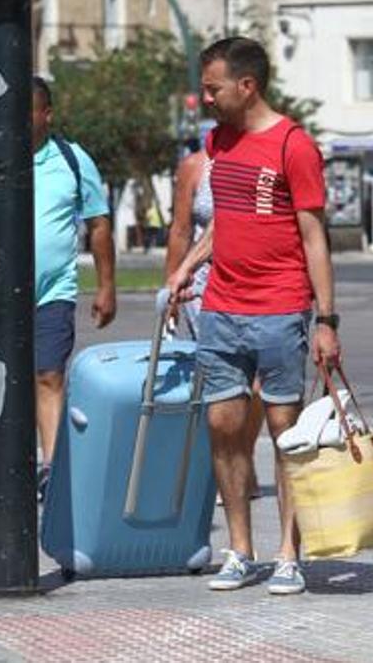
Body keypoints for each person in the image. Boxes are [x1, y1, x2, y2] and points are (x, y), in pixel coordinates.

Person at [166, 37, 340, 596]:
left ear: (247, 85)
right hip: (220, 306)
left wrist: (326, 320)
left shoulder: (294, 146)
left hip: (281, 306)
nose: (205, 97)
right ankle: (241, 549)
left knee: (283, 431)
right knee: (222, 427)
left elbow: (315, 237)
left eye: (213, 87)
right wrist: (187, 267)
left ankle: (290, 552)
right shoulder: (220, 143)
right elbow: (227, 221)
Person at [0, 76, 116, 500]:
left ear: (47, 115)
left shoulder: (74, 160)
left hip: (52, 291)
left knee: (49, 374)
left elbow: (98, 225)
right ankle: (6, 456)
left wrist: (106, 286)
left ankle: (51, 468)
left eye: (28, 112)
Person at [165, 140, 262, 502]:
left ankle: (243, 455)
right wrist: (172, 283)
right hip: (205, 285)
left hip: (256, 280)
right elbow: (180, 229)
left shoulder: (262, 157)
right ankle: (226, 466)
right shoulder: (195, 166)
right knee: (222, 379)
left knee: (255, 384)